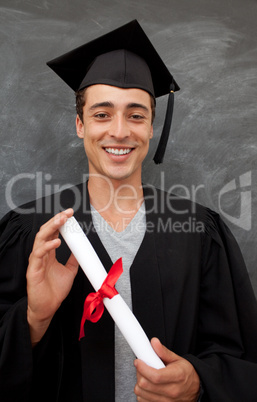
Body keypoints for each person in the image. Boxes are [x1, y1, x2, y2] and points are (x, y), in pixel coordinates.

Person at [0, 20, 257, 402]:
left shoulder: (198, 231)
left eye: (135, 115)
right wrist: (35, 317)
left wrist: (199, 381)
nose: (119, 131)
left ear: (151, 127)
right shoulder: (34, 233)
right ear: (79, 125)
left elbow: (241, 357)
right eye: (102, 114)